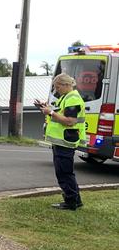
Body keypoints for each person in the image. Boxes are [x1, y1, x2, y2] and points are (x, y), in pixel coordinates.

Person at [38, 73, 86, 210]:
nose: (56, 90)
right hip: (63, 140)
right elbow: (62, 114)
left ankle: (70, 202)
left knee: (64, 172)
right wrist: (49, 109)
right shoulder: (66, 97)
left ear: (66, 85)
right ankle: (76, 200)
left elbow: (70, 121)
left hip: (65, 140)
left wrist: (51, 113)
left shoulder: (72, 99)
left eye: (57, 86)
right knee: (66, 171)